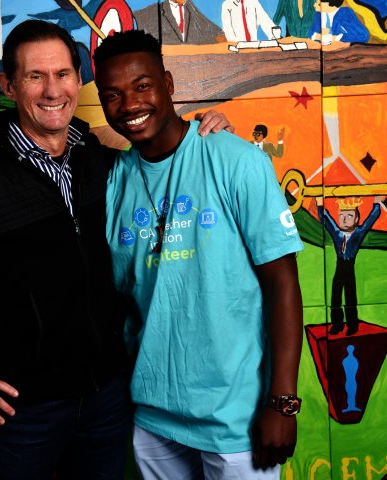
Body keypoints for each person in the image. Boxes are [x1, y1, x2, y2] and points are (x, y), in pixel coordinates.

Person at [0, 20, 231, 480]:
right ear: (8, 85)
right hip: (22, 412)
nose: (51, 90)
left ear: (78, 80)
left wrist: (206, 133)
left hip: (108, 401)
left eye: (62, 74)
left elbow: (167, 159)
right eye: (35, 76)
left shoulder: (104, 164)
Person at [94, 29, 304, 479]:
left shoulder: (236, 160)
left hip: (237, 420)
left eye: (142, 86)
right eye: (112, 95)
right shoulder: (112, 182)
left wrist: (283, 402)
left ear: (169, 84)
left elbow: (283, 282)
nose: (129, 104)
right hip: (152, 417)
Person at [316, 196, 382, 336]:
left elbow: (370, 220)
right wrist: (320, 204)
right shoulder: (337, 233)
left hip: (349, 267)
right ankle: (337, 325)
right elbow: (326, 220)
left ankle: (352, 325)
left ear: (356, 219)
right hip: (339, 267)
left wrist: (377, 203)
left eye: (349, 216)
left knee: (350, 298)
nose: (344, 219)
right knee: (335, 298)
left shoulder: (358, 233)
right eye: (341, 216)